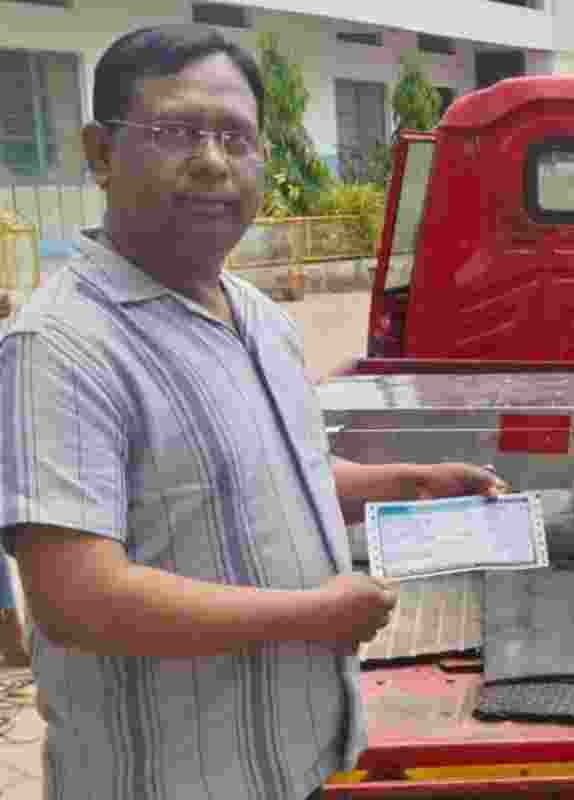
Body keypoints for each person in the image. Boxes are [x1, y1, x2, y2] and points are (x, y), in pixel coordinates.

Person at [0, 25, 503, 800]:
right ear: (100, 153)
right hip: (170, 779)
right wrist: (311, 616)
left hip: (299, 759)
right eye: (175, 132)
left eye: (236, 137)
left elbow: (273, 467)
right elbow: (77, 599)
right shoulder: (59, 345)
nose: (211, 160)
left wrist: (409, 479)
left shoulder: (257, 314)